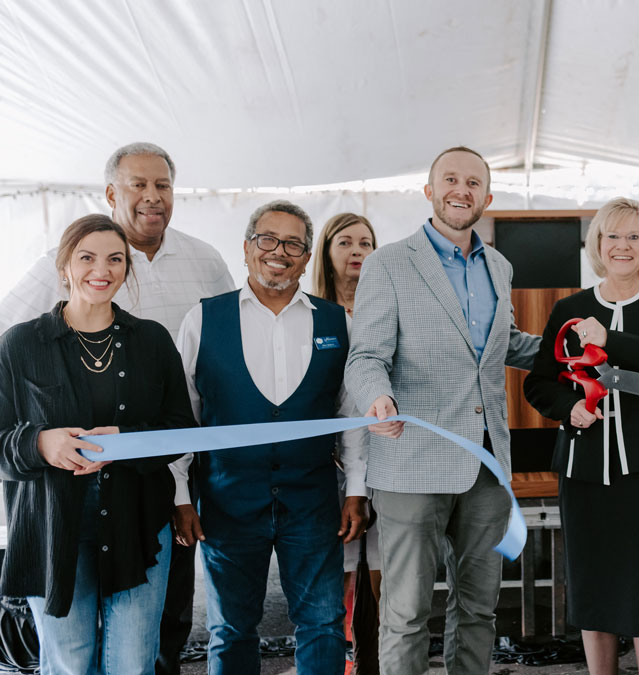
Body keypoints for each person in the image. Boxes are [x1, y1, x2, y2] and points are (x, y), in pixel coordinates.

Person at [0, 141, 235, 675]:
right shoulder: (21, 343)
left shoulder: (153, 340)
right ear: (62, 266)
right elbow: (2, 438)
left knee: (136, 659)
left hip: (139, 513)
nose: (100, 270)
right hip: (53, 526)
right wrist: (42, 442)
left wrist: (128, 442)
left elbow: (182, 425)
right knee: (70, 661)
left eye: (114, 260)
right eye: (86, 258)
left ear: (127, 270)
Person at [345, 146, 541, 675]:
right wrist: (375, 397)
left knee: (478, 607)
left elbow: (502, 346)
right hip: (410, 459)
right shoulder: (388, 263)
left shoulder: (499, 266)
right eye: (450, 179)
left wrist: (570, 350)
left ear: (488, 197)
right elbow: (365, 356)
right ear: (428, 191)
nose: (462, 189)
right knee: (407, 612)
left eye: (473, 182)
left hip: (485, 460)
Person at [170, 200, 369, 673]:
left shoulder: (337, 322)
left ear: (306, 256)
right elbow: (182, 418)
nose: (279, 251)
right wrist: (179, 494)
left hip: (313, 501)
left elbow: (351, 414)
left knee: (323, 622)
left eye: (294, 243)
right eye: (267, 239)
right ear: (246, 248)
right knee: (231, 629)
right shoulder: (202, 320)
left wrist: (357, 490)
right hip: (227, 501)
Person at [525, 197, 639, 674]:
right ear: (597, 244)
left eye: (634, 236)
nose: (622, 246)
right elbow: (538, 383)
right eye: (612, 236)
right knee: (595, 586)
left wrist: (609, 341)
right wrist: (570, 409)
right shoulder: (570, 307)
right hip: (586, 470)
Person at [313, 212, 382, 665]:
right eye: (346, 243)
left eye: (366, 243)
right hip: (329, 462)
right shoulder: (311, 315)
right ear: (327, 252)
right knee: (336, 567)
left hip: (385, 455)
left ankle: (375, 659)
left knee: (382, 569)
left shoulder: (385, 310)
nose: (357, 252)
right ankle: (340, 659)